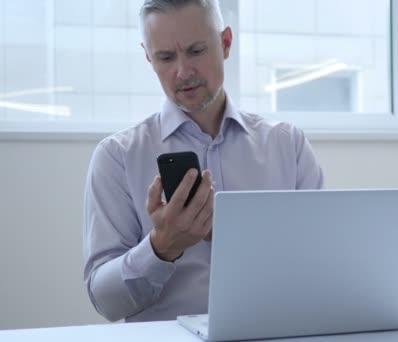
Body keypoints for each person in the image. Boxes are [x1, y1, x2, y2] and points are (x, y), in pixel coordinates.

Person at [83, 0, 324, 323]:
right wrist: (160, 248)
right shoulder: (116, 158)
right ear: (148, 57)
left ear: (225, 43)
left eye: (196, 51)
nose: (183, 72)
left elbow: (322, 266)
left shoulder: (287, 145)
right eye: (166, 57)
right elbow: (106, 302)